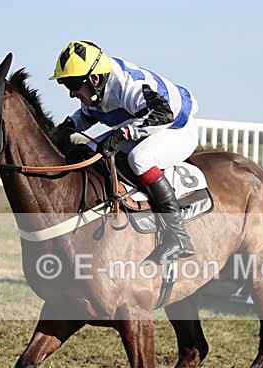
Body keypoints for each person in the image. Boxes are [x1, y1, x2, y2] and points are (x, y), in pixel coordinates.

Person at [50, 40, 197, 264]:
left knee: (140, 159)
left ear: (94, 79)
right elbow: (88, 116)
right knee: (90, 152)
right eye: (65, 84)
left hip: (176, 128)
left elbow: (163, 115)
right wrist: (64, 128)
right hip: (146, 126)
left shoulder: (129, 85)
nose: (71, 93)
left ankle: (178, 235)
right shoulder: (96, 87)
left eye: (72, 84)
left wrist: (120, 135)